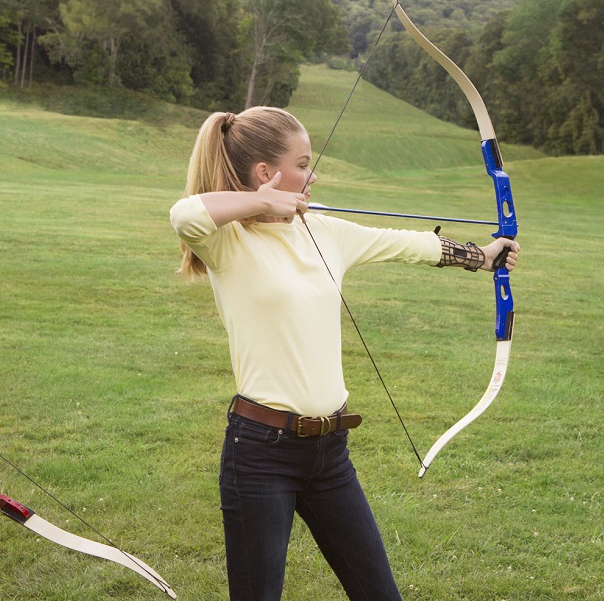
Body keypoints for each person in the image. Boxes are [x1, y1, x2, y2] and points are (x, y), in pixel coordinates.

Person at [169, 106, 519, 600]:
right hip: (261, 453)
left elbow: (408, 244)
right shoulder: (228, 243)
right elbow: (184, 214)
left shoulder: (325, 232)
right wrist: (259, 204)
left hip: (330, 454)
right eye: (304, 163)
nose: (313, 175)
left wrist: (482, 257)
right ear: (266, 174)